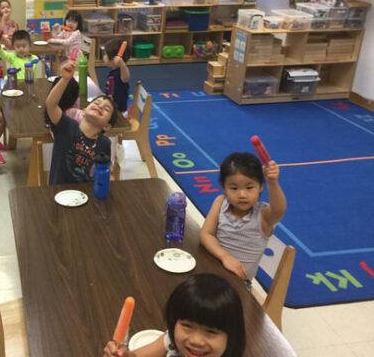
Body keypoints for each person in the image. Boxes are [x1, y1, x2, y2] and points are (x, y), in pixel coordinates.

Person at [103, 273, 245, 357]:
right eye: (187, 326)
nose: (196, 340)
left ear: (232, 336)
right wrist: (122, 354)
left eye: (211, 332)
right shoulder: (173, 340)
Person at [199, 152, 287, 285]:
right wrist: (224, 256)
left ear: (261, 186)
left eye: (249, 187)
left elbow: (279, 210)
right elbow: (206, 234)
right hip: (212, 271)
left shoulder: (263, 216)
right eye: (234, 188)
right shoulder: (220, 202)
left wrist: (273, 182)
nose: (242, 194)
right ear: (224, 188)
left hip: (238, 284)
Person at [45, 61, 116, 185]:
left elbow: (102, 172)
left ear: (107, 126)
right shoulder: (67, 126)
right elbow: (51, 105)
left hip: (87, 196)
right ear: (83, 111)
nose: (100, 107)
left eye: (106, 109)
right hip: (58, 194)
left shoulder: (104, 143)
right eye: (97, 103)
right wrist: (65, 79)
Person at [103, 38, 131, 114]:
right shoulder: (113, 71)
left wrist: (122, 63)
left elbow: (126, 78)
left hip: (119, 111)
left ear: (113, 58)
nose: (104, 56)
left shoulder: (121, 71)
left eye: (105, 54)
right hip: (111, 104)